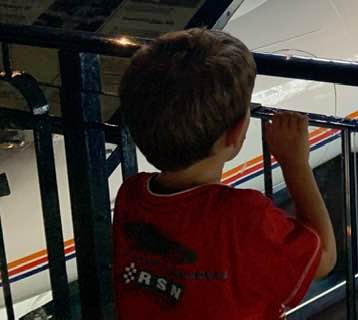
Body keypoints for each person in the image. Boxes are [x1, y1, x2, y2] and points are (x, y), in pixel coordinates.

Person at [113, 29, 336, 318]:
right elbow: (324, 259)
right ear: (235, 134)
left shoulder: (131, 196)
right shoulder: (243, 216)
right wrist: (295, 163)